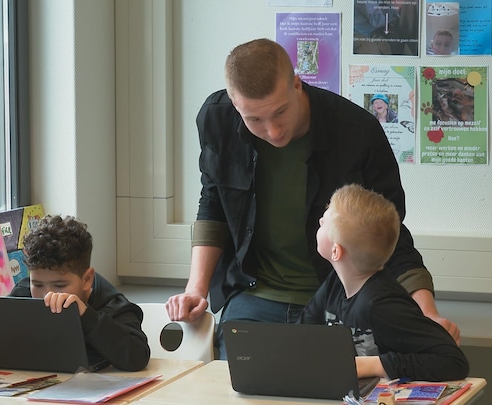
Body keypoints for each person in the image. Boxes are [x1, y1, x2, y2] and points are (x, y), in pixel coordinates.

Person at [165, 38, 460, 359]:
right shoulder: (216, 119)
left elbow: (388, 233)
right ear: (235, 105)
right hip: (253, 297)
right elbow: (214, 205)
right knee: (243, 388)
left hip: (341, 300)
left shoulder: (356, 132)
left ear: (296, 84)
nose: (273, 131)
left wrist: (426, 312)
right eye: (254, 120)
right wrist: (195, 289)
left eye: (280, 112)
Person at [299, 184, 469, 381]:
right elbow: (302, 335)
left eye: (324, 222)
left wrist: (372, 365)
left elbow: (453, 361)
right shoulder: (334, 284)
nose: (319, 220)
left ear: (336, 251)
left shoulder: (383, 304)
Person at [0, 215, 150, 371]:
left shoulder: (112, 305)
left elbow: (137, 356)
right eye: (38, 284)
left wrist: (85, 315)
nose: (47, 295)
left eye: (60, 285)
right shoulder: (25, 292)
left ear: (87, 280)